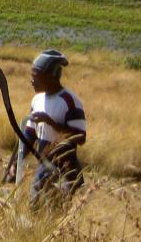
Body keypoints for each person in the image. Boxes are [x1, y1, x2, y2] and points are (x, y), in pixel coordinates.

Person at [5, 49, 86, 207]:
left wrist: (50, 122)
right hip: (44, 165)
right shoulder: (37, 100)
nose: (32, 80)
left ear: (51, 76)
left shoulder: (70, 101)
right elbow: (29, 135)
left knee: (54, 211)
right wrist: (15, 163)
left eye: (36, 76)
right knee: (36, 207)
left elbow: (80, 137)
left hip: (64, 168)